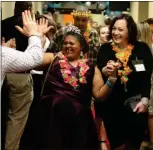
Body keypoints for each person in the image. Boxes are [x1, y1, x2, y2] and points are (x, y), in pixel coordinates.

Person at [19, 25, 118, 150]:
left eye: (71, 43)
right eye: (65, 43)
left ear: (81, 46)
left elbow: (99, 96)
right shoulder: (53, 58)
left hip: (78, 122)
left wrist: (112, 79)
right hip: (50, 119)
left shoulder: (92, 67)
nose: (67, 46)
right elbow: (31, 62)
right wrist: (37, 39)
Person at [97, 14, 153, 150]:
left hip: (135, 105)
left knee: (133, 144)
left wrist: (145, 101)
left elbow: (146, 77)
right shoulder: (105, 49)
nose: (115, 32)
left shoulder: (141, 49)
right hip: (112, 107)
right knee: (117, 144)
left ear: (130, 31)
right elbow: (99, 73)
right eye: (114, 29)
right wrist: (106, 71)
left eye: (120, 30)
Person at [1, 8, 53, 150]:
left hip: (10, 74)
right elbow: (34, 59)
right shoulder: (4, 54)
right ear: (29, 9)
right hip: (21, 75)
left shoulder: (4, 24)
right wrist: (35, 35)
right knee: (16, 119)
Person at [137, 22, 153, 150]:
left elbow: (139, 68)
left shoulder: (138, 48)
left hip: (143, 81)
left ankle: (140, 141)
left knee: (142, 112)